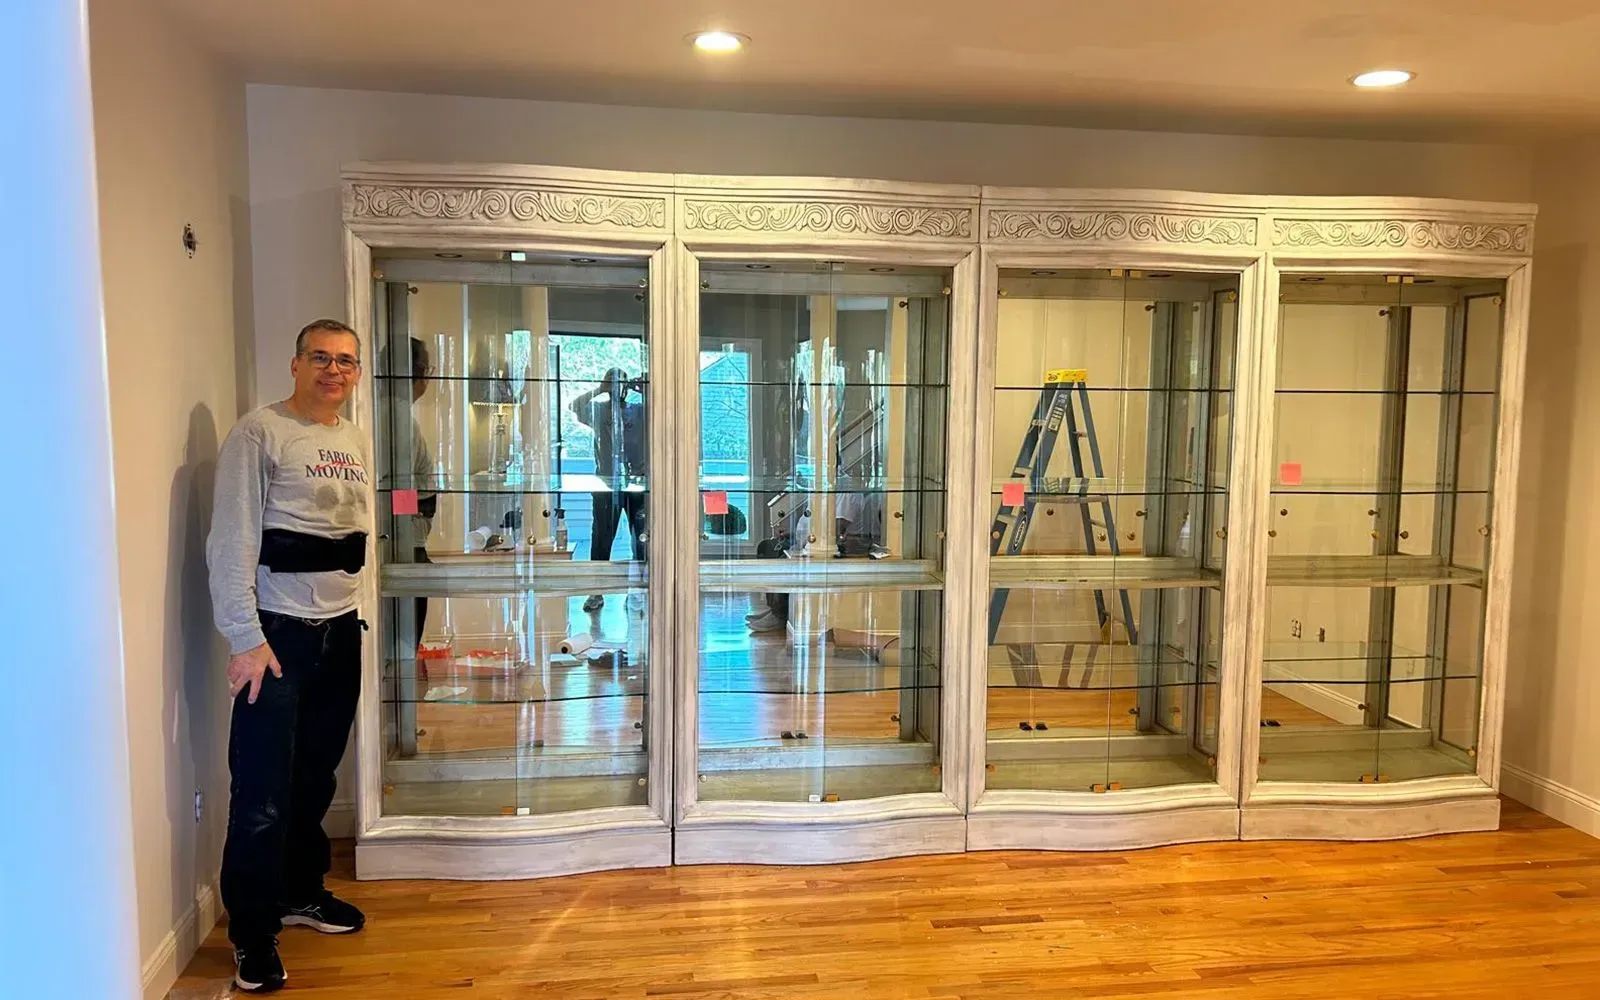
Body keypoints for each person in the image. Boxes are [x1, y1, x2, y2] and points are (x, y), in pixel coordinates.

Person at [207, 319, 372, 994]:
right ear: (296, 364)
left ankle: (301, 892)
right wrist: (246, 638)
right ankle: (252, 932)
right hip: (277, 636)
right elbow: (233, 540)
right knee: (262, 792)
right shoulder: (260, 432)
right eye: (322, 359)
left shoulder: (352, 437)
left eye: (347, 362)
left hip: (339, 632)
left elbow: (352, 533)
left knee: (315, 779)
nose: (335, 371)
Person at [571, 366, 647, 612]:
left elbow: (666, 411)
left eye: (621, 382)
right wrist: (598, 390)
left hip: (638, 483)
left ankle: (640, 589)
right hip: (606, 483)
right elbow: (573, 406)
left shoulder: (639, 410)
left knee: (642, 537)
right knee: (601, 538)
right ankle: (596, 591)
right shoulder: (598, 410)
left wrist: (643, 390)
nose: (617, 387)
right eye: (611, 382)